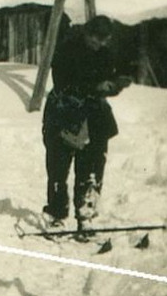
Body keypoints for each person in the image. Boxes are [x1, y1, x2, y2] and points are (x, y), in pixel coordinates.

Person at [41, 14, 136, 229]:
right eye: (95, 39)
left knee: (91, 168)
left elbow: (113, 76)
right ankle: (56, 215)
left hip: (94, 118)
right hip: (64, 114)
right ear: (87, 33)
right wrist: (95, 86)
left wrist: (116, 83)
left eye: (103, 40)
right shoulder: (67, 49)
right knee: (58, 167)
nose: (98, 44)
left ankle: (86, 215)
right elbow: (63, 83)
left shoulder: (105, 53)